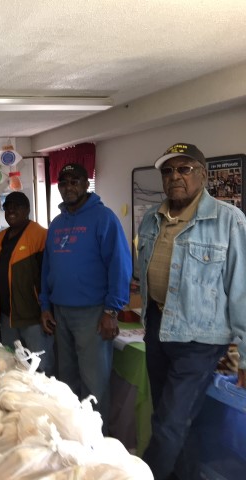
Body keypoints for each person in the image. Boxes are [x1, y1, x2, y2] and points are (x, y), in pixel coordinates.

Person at [136, 143, 246, 480]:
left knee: (170, 423)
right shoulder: (152, 220)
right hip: (157, 325)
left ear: (203, 174)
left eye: (184, 169)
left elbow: (242, 291)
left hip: (200, 335)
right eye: (168, 171)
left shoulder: (229, 221)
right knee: (172, 419)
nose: (175, 177)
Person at [40, 163, 131, 432]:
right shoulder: (56, 223)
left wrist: (111, 311)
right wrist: (46, 306)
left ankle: (97, 442)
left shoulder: (104, 218)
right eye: (63, 182)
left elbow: (120, 266)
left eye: (75, 181)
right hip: (60, 312)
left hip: (92, 313)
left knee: (94, 382)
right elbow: (47, 267)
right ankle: (71, 434)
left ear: (86, 184)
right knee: (66, 379)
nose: (69, 187)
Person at [0, 192, 54, 374]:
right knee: (11, 367)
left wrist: (47, 309)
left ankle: (46, 402)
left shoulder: (40, 235)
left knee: (41, 368)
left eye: (17, 206)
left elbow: (49, 276)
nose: (11, 210)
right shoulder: (1, 238)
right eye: (7, 206)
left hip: (33, 317)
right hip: (7, 316)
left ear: (27, 209)